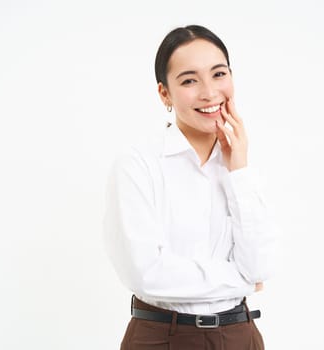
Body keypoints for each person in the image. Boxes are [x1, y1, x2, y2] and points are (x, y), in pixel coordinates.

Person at [103, 24, 275, 349]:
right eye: (189, 80)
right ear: (164, 93)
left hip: (240, 335)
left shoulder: (242, 163)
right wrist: (240, 279)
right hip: (161, 337)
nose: (209, 92)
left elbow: (262, 265)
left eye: (219, 74)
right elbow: (145, 273)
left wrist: (238, 171)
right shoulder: (138, 164)